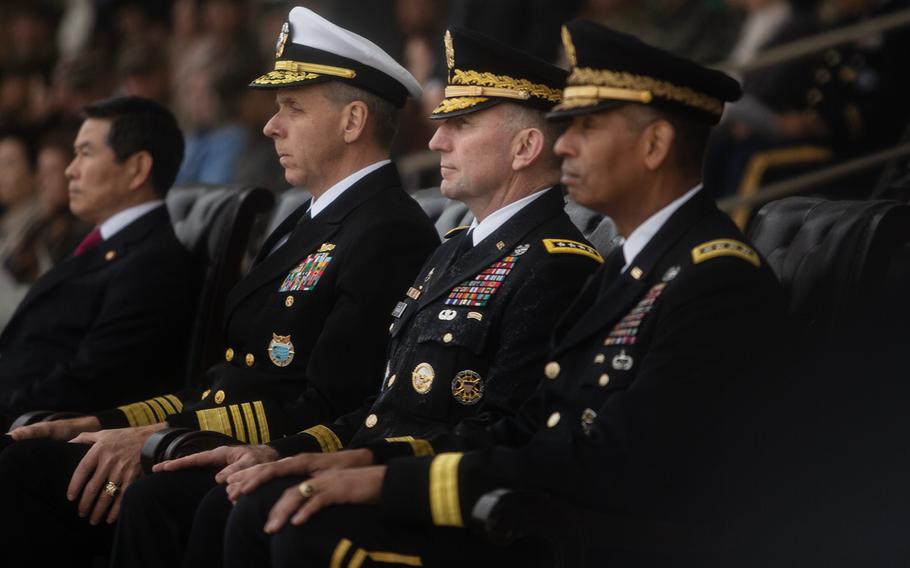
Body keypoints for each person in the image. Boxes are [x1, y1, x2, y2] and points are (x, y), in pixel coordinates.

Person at [222, 20, 785, 568]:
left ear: (656, 143)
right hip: (548, 510)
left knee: (301, 529)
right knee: (268, 510)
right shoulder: (627, 269)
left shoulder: (714, 279)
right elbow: (529, 426)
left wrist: (391, 483)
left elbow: (606, 462)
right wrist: (363, 460)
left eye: (587, 127)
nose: (564, 146)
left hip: (603, 538)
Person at [138, 26, 604, 568]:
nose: (434, 141)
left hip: (452, 507)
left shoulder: (556, 264)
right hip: (388, 464)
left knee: (273, 514)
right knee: (233, 493)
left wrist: (363, 468)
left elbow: (506, 435)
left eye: (460, 123)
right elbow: (384, 406)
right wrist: (287, 451)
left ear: (525, 147)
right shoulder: (452, 250)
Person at [0, 8, 438, 566]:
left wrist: (161, 437)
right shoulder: (310, 217)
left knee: (142, 495)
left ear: (353, 121)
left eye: (292, 108)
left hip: (268, 453)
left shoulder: (388, 230)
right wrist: (110, 421)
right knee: (28, 459)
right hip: (210, 433)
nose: (269, 125)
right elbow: (222, 384)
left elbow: (329, 403)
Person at [0, 97, 193, 428]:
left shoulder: (152, 262)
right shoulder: (103, 244)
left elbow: (91, 381)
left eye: (85, 153)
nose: (69, 170)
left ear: (137, 169)